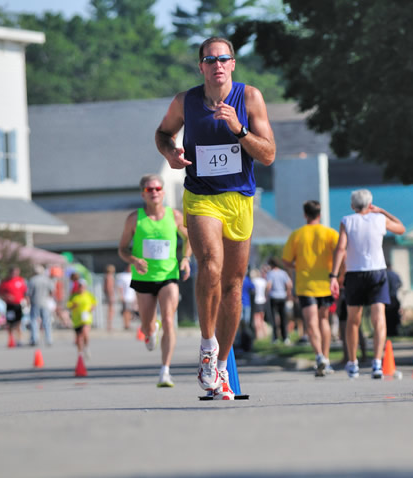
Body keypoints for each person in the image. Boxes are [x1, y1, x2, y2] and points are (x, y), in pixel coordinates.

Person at [154, 36, 276, 400]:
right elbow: (162, 133)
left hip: (239, 198)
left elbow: (268, 154)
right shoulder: (186, 101)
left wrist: (238, 128)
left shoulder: (249, 97)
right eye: (210, 59)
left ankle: (222, 365)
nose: (217, 65)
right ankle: (207, 348)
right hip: (202, 196)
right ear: (201, 67)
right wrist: (170, 152)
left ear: (233, 64)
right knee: (210, 264)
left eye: (224, 59)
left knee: (234, 285)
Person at [118, 174, 191, 388]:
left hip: (168, 275)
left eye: (158, 188)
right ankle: (151, 330)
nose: (154, 192)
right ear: (143, 194)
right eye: (149, 189)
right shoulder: (134, 219)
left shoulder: (175, 216)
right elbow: (121, 249)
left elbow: (189, 239)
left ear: (164, 192)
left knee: (169, 319)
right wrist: (133, 260)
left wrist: (185, 259)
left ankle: (165, 371)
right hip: (143, 277)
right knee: (147, 326)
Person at [330, 189, 405, 379]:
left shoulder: (347, 221)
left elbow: (341, 248)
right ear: (370, 204)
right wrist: (382, 211)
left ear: (352, 205)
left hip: (354, 273)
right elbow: (401, 228)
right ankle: (377, 363)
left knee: (353, 320)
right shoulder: (379, 219)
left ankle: (353, 363)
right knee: (378, 319)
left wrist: (333, 275)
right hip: (377, 272)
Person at [281, 200, 340, 376]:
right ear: (320, 214)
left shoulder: (297, 235)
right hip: (326, 283)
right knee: (324, 321)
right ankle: (327, 359)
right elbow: (341, 252)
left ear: (305, 215)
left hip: (306, 285)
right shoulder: (330, 234)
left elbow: (285, 260)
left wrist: (296, 265)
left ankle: (319, 356)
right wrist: (339, 276)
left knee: (311, 323)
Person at [266, 258, 293, 345]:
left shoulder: (271, 273)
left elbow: (269, 286)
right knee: (283, 317)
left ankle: (275, 338)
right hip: (282, 296)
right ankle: (285, 337)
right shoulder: (283, 273)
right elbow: (289, 284)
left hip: (274, 297)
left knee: (274, 318)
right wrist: (288, 293)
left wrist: (266, 295)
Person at [0, 266, 27, 347]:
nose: (15, 274)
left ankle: (19, 339)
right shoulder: (5, 282)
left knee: (19, 322)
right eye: (14, 272)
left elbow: (25, 292)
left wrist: (27, 301)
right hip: (10, 305)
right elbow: (0, 294)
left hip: (18, 305)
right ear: (10, 273)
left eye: (17, 272)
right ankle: (11, 339)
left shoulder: (21, 280)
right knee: (10, 323)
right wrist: (7, 297)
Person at [67, 278, 95, 359]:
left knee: (85, 332)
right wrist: (73, 306)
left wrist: (91, 308)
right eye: (80, 286)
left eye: (82, 286)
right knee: (79, 337)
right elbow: (69, 305)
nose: (81, 288)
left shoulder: (88, 295)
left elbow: (94, 303)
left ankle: (86, 347)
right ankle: (80, 353)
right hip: (77, 319)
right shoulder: (74, 296)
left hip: (86, 317)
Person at [27, 264, 55, 346]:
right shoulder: (47, 280)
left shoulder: (32, 280)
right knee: (47, 321)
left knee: (34, 321)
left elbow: (29, 293)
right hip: (45, 302)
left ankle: (35, 339)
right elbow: (52, 291)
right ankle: (49, 339)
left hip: (35, 302)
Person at [116, 264, 137, 330]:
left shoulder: (134, 275)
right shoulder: (122, 276)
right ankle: (126, 325)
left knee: (131, 312)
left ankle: (128, 324)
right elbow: (120, 287)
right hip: (126, 296)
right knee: (126, 311)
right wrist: (121, 296)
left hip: (132, 296)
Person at [249, 268, 268, 339]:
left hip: (256, 301)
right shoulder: (263, 281)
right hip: (263, 301)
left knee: (256, 320)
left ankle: (258, 335)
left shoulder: (254, 281)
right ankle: (265, 334)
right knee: (262, 319)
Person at [385, 263, 402, 337]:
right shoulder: (395, 274)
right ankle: (394, 331)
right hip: (394, 297)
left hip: (386, 298)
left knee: (387, 316)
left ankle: (388, 331)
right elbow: (400, 284)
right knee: (395, 315)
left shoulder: (384, 274)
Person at [103, 264, 116, 331]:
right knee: (110, 311)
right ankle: (109, 325)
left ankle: (109, 325)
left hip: (108, 295)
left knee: (110, 311)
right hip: (110, 295)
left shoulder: (106, 276)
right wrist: (111, 296)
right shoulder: (109, 277)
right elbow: (109, 287)